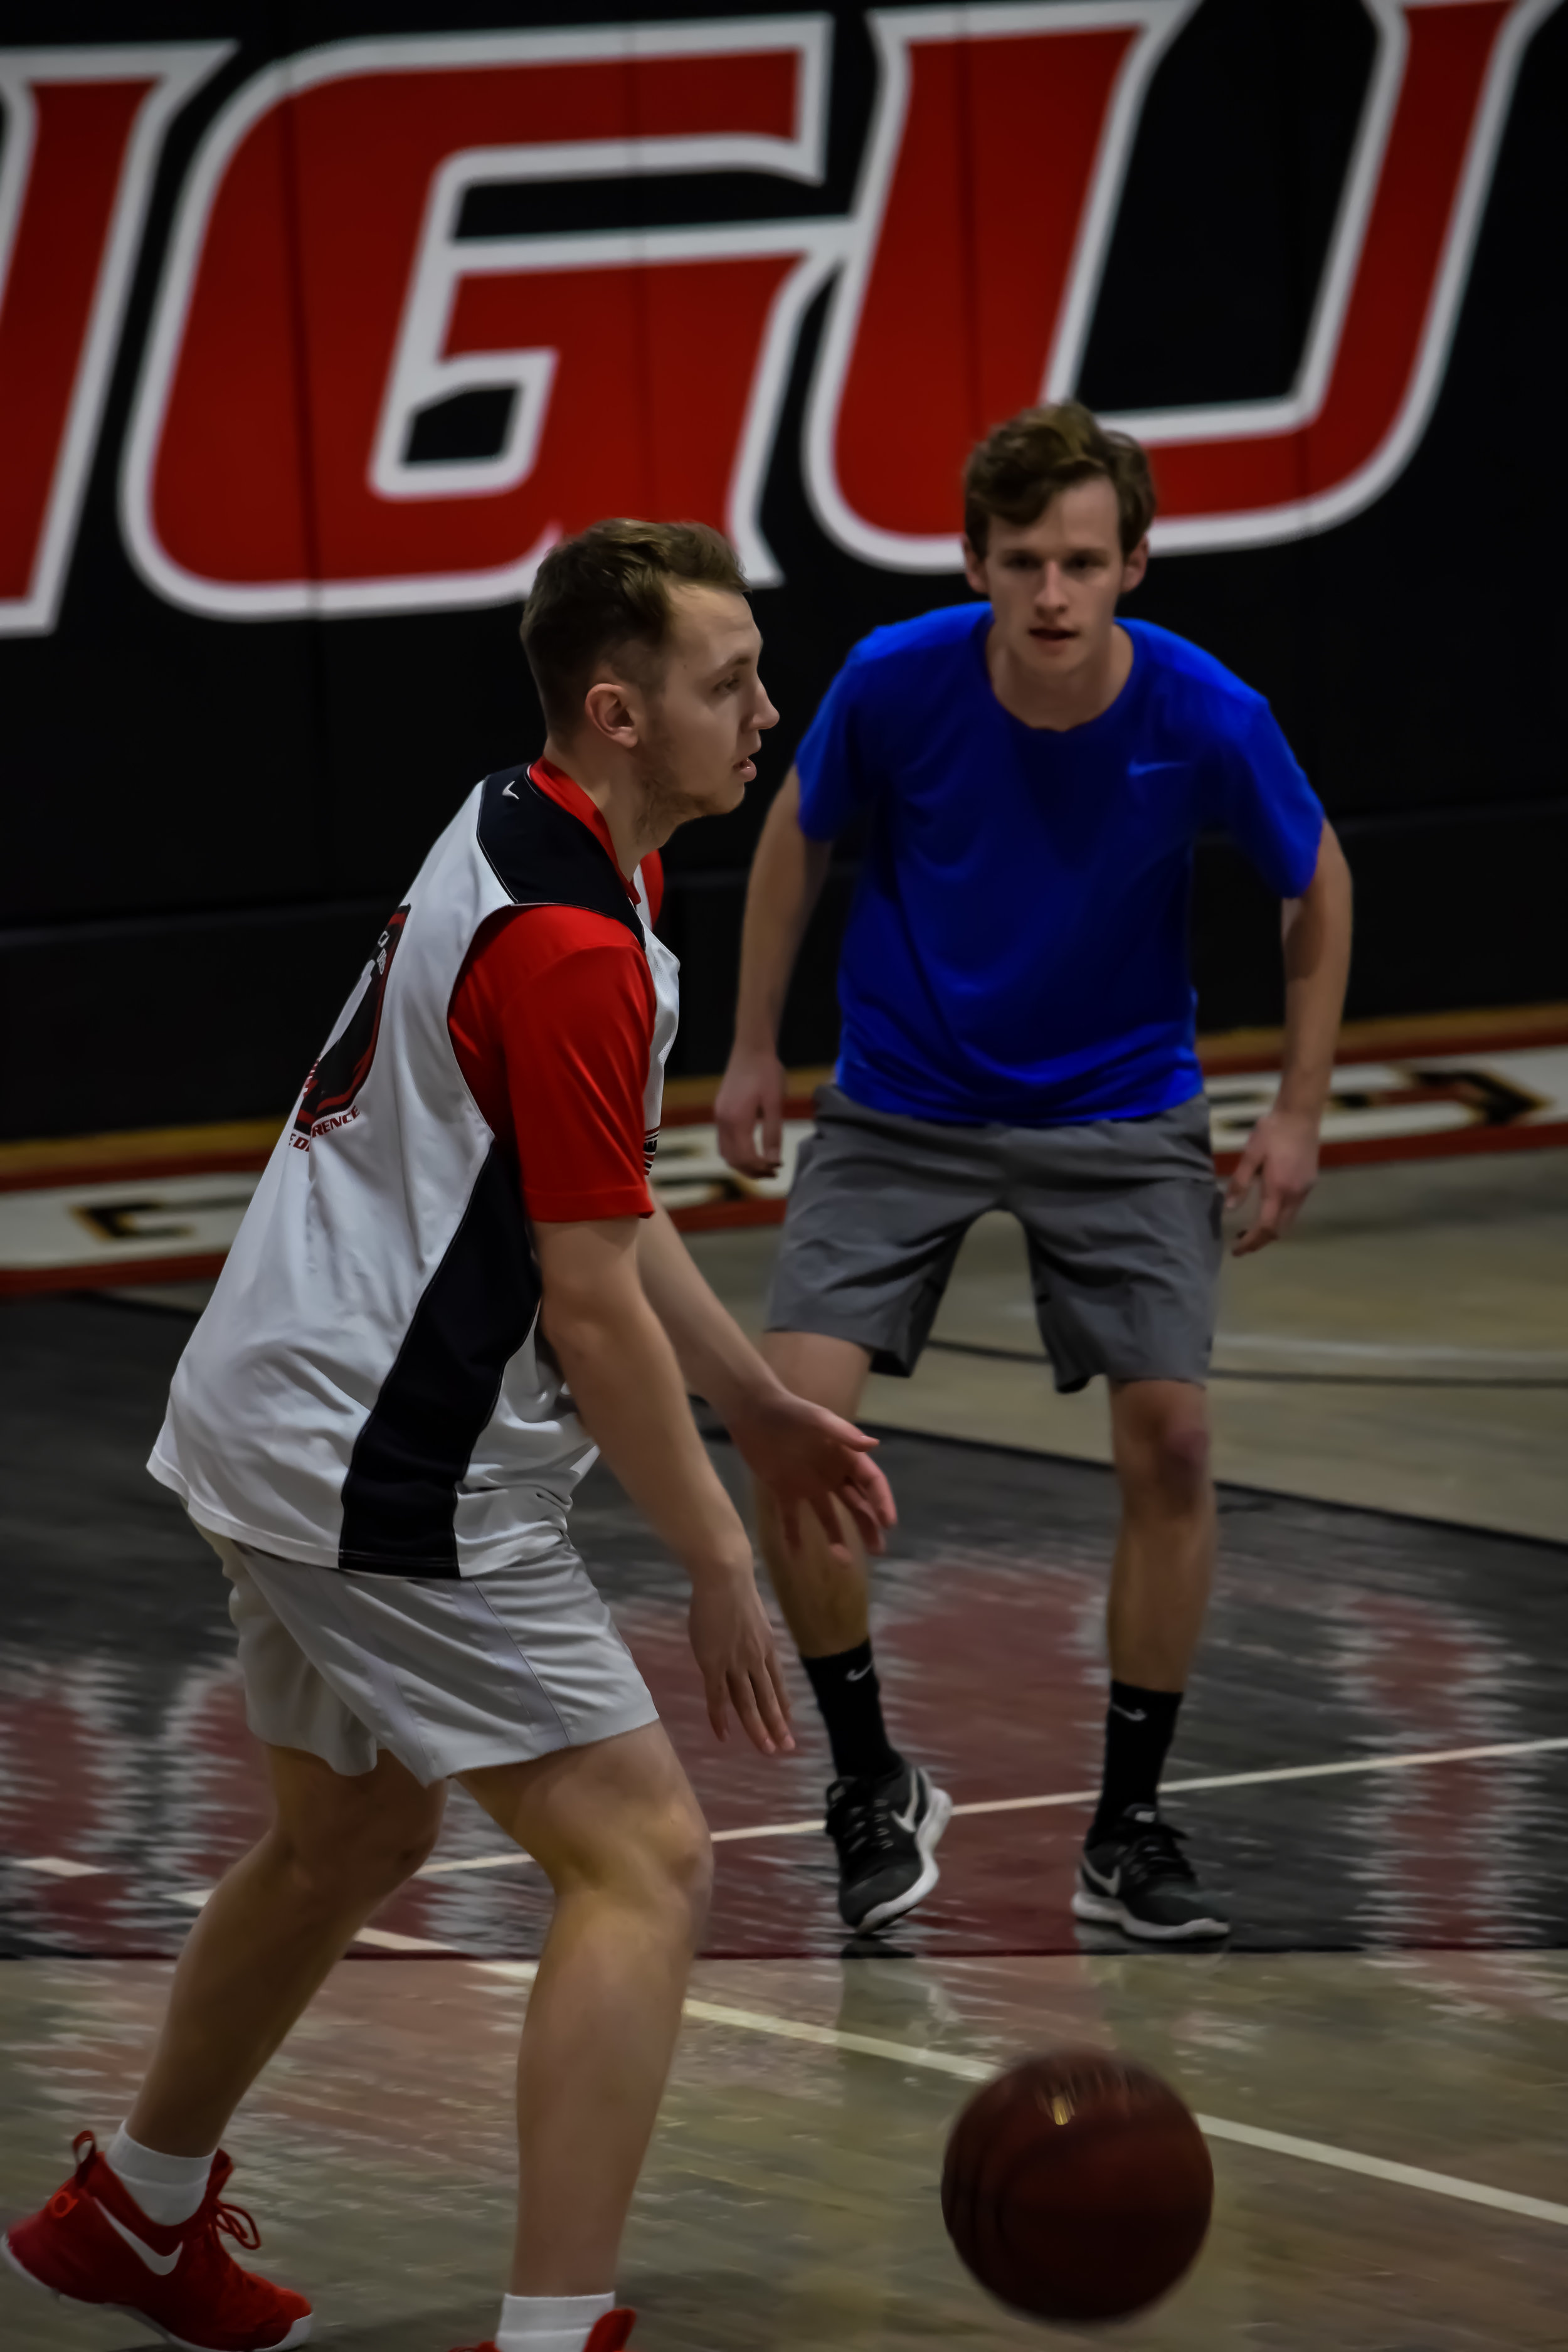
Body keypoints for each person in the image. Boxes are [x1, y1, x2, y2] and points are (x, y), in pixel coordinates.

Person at [2, 521, 893, 2352]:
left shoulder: (538, 830)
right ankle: (554, 2328)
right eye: (731, 681)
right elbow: (582, 1301)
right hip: (373, 1460)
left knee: (348, 1833)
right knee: (647, 1856)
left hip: (270, 1411)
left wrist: (755, 1400)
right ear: (618, 708)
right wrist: (723, 1558)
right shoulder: (577, 942)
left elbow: (604, 1195)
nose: (768, 709)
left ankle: (135, 2215)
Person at [715, 402, 1353, 1942]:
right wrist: (748, 1047)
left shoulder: (1204, 713)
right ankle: (869, 1783)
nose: (1051, 593)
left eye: (1081, 561)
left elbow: (1315, 885)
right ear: (974, 563)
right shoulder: (893, 681)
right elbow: (796, 838)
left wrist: (1296, 1110)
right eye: (1022, 563)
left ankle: (1126, 1829)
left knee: (1175, 1447)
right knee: (791, 1438)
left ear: (1134, 562)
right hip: (899, 1100)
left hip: (1119, 1106)